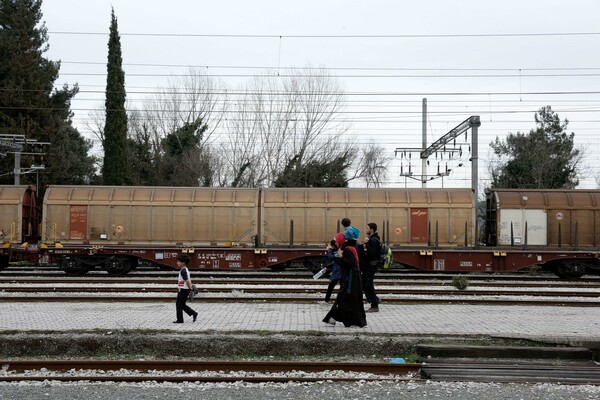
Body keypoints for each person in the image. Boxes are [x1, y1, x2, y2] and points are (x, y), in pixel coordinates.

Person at [322, 232, 367, 328]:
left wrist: (341, 256)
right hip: (351, 278)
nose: (336, 243)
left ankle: (341, 319)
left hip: (350, 279)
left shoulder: (347, 250)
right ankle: (333, 318)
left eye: (337, 241)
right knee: (345, 299)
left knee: (345, 299)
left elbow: (349, 263)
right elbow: (340, 262)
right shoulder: (347, 249)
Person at [174, 254, 198, 324]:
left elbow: (187, 280)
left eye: (178, 262)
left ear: (183, 262)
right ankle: (193, 313)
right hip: (184, 289)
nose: (177, 263)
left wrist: (190, 288)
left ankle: (180, 320)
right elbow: (188, 280)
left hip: (183, 289)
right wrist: (190, 287)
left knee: (179, 305)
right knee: (182, 304)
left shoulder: (183, 271)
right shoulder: (186, 270)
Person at [363, 222, 381, 312]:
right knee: (365, 283)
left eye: (367, 228)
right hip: (370, 264)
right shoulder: (374, 238)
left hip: (372, 264)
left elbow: (371, 254)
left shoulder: (373, 240)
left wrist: (366, 243)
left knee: (368, 285)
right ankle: (375, 300)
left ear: (372, 229)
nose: (366, 230)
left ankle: (374, 306)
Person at [324, 239, 342, 303]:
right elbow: (335, 260)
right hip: (338, 270)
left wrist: (330, 249)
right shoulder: (338, 249)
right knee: (341, 286)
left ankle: (326, 300)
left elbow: (331, 257)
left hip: (338, 271)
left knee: (332, 286)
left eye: (337, 241)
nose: (335, 243)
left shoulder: (339, 250)